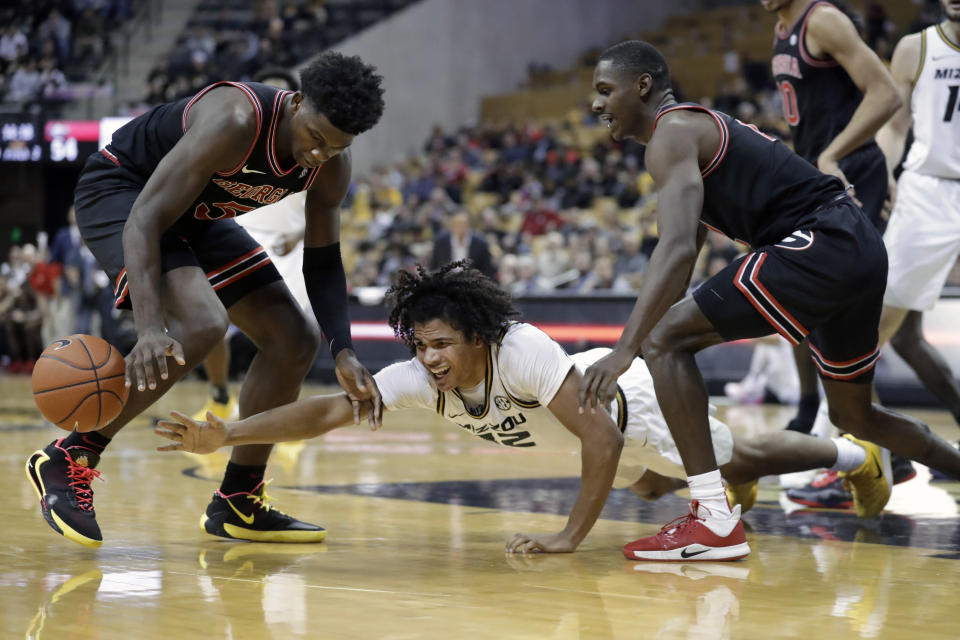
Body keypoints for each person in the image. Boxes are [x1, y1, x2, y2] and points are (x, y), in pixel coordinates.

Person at [156, 263, 891, 559]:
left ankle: (858, 456)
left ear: (479, 335)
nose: (431, 357)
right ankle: (722, 487)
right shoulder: (421, 376)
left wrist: (571, 535)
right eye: (420, 344)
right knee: (650, 487)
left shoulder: (525, 349)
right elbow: (325, 413)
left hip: (635, 416)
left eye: (443, 343)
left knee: (739, 456)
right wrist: (230, 433)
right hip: (612, 446)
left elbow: (598, 437)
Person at [577, 40, 960, 561]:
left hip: (819, 239)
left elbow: (674, 248)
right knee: (856, 416)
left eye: (605, 90)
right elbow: (684, 251)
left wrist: (627, 348)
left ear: (642, 86)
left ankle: (712, 518)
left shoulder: (670, 133)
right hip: (854, 245)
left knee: (663, 340)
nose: (596, 104)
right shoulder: (687, 131)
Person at [25, 52, 386, 549]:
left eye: (335, 147)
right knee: (201, 323)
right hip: (123, 193)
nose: (319, 154)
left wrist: (342, 349)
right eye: (315, 138)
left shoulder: (331, 167)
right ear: (297, 102)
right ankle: (72, 455)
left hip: (196, 216)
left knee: (295, 339)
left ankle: (239, 498)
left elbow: (323, 260)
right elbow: (147, 217)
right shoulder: (237, 119)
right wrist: (150, 327)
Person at [765, 0, 901, 435]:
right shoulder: (781, 26)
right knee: (796, 296)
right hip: (816, 172)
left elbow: (887, 94)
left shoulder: (822, 20)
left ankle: (861, 437)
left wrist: (834, 153)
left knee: (829, 304)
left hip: (848, 170)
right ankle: (811, 411)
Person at [192, 67, 309, 422]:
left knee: (291, 337)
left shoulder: (309, 146)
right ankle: (219, 396)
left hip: (287, 246)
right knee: (211, 324)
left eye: (284, 94)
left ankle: (282, 414)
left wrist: (303, 234)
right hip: (236, 237)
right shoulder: (236, 135)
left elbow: (329, 211)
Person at [874, 0, 960, 433]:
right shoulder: (917, 47)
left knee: (900, 336)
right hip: (927, 191)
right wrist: (886, 171)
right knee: (880, 333)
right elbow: (894, 125)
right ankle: (865, 455)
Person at [428, 210, 496, 279]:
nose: (460, 227)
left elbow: (487, 270)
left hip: (472, 283)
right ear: (452, 225)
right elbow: (434, 266)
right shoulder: (440, 241)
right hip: (446, 282)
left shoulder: (480, 243)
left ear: (469, 224)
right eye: (457, 224)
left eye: (463, 224)